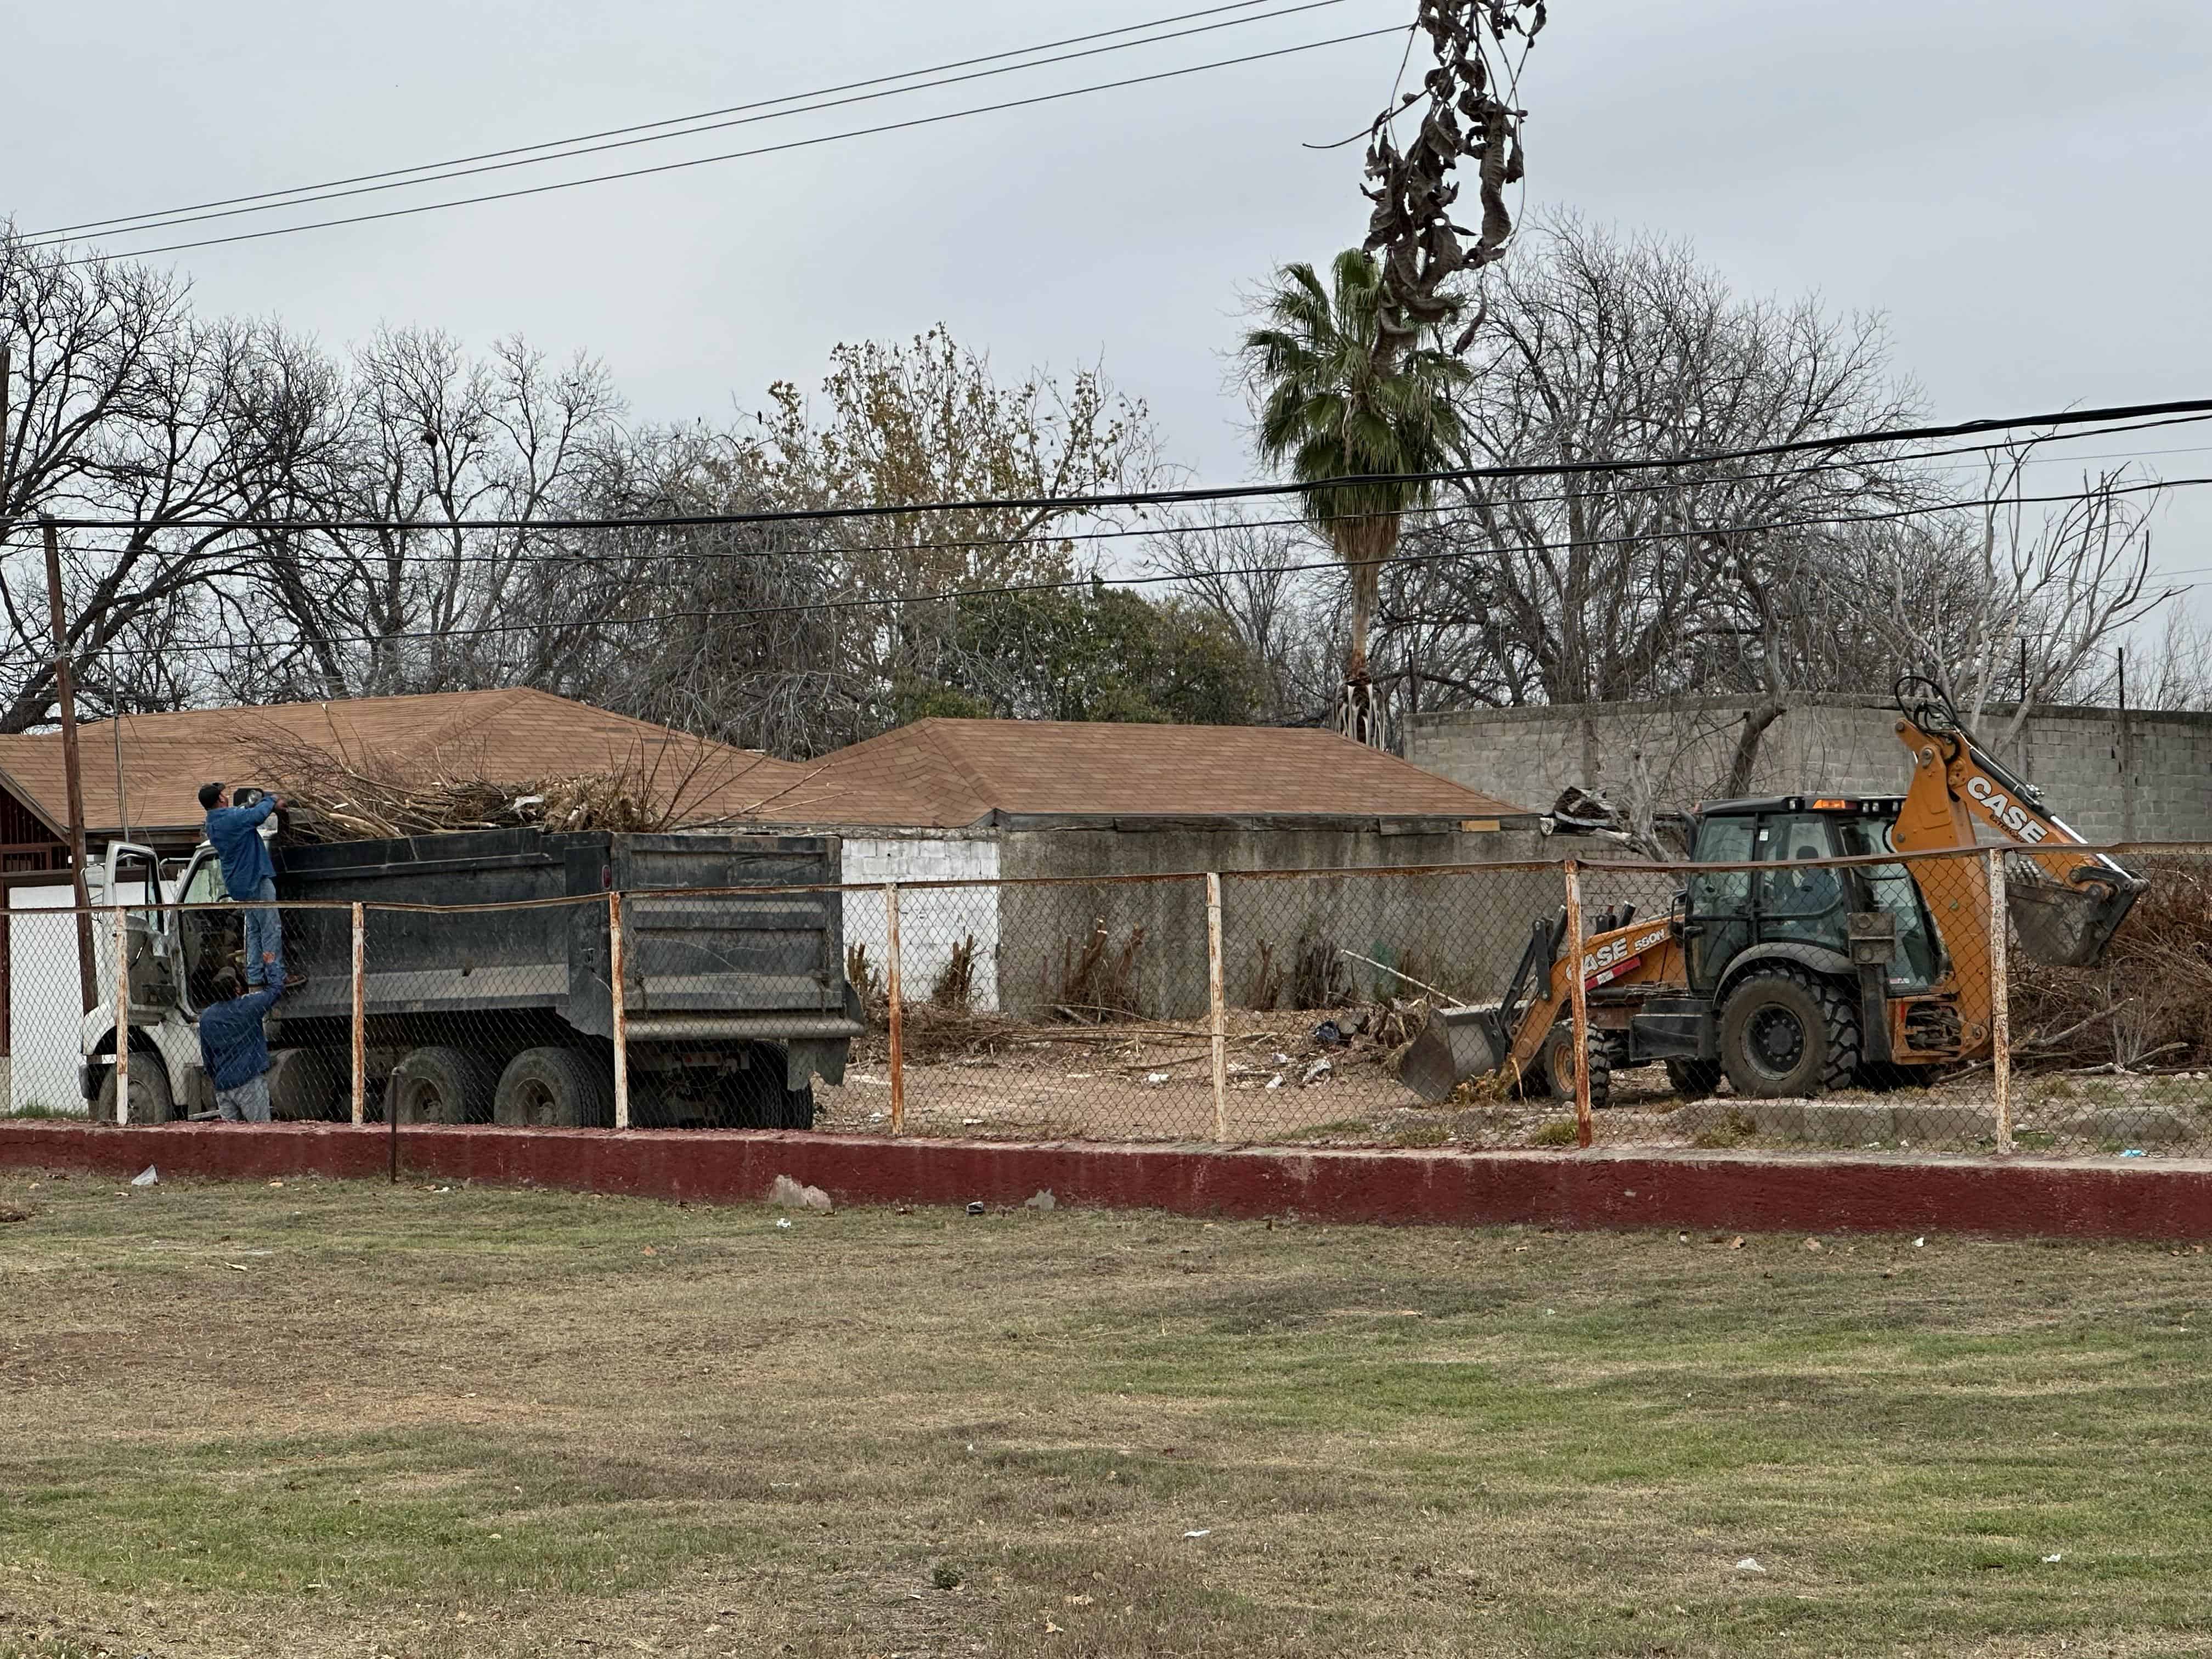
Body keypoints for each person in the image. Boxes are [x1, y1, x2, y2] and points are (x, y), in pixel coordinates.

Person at [199, 781, 287, 989]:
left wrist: (250, 805)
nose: (226, 795)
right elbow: (256, 817)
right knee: (271, 928)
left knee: (255, 929)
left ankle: (255, 977)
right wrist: (271, 800)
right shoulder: (231, 820)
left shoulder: (213, 823)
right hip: (254, 878)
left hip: (240, 883)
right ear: (220, 799)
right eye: (223, 794)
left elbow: (241, 814)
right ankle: (276, 975)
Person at [199, 966, 285, 1124]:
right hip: (249, 1082)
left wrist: (217, 1078)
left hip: (223, 1086)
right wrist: (272, 965)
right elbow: (276, 989)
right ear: (237, 989)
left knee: (231, 1138)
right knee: (261, 1133)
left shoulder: (206, 1018)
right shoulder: (249, 1006)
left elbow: (207, 1055)